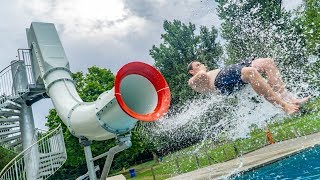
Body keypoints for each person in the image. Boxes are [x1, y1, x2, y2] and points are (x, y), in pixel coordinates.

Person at [187, 58, 310, 115]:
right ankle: (284, 106)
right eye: (197, 65)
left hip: (229, 70)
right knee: (250, 71)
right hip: (221, 81)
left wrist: (202, 67)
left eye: (201, 63)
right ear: (191, 72)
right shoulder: (192, 81)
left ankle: (288, 98)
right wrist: (201, 69)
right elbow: (202, 75)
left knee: (267, 62)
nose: (202, 65)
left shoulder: (204, 72)